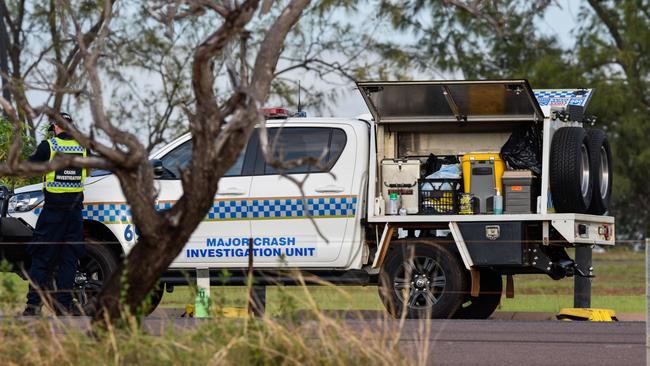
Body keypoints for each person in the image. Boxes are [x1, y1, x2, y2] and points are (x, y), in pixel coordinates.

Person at [23, 112, 87, 316]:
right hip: (75, 214)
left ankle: (32, 307)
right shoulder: (84, 148)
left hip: (53, 213)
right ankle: (63, 308)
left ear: (56, 128)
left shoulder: (49, 146)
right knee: (69, 260)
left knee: (41, 258)